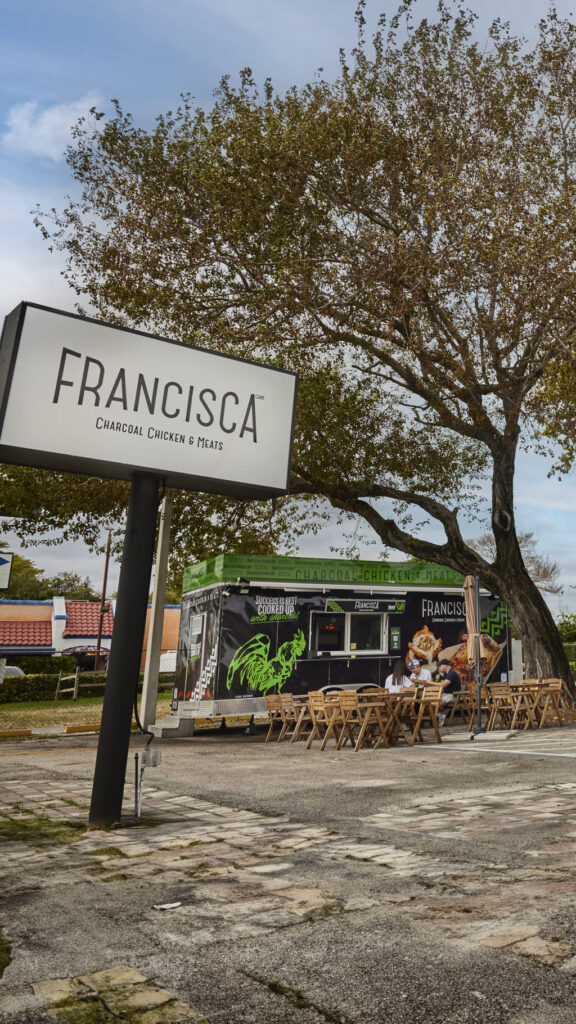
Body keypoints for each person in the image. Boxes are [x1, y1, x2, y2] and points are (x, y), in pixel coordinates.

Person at [436, 658, 462, 726]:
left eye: (440, 666)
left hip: (453, 695)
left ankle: (441, 715)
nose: (439, 669)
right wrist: (437, 680)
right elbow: (442, 685)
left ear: (444, 666)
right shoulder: (445, 674)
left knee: (439, 703)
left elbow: (443, 685)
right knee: (434, 702)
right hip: (446, 694)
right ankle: (442, 714)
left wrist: (430, 682)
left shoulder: (452, 673)